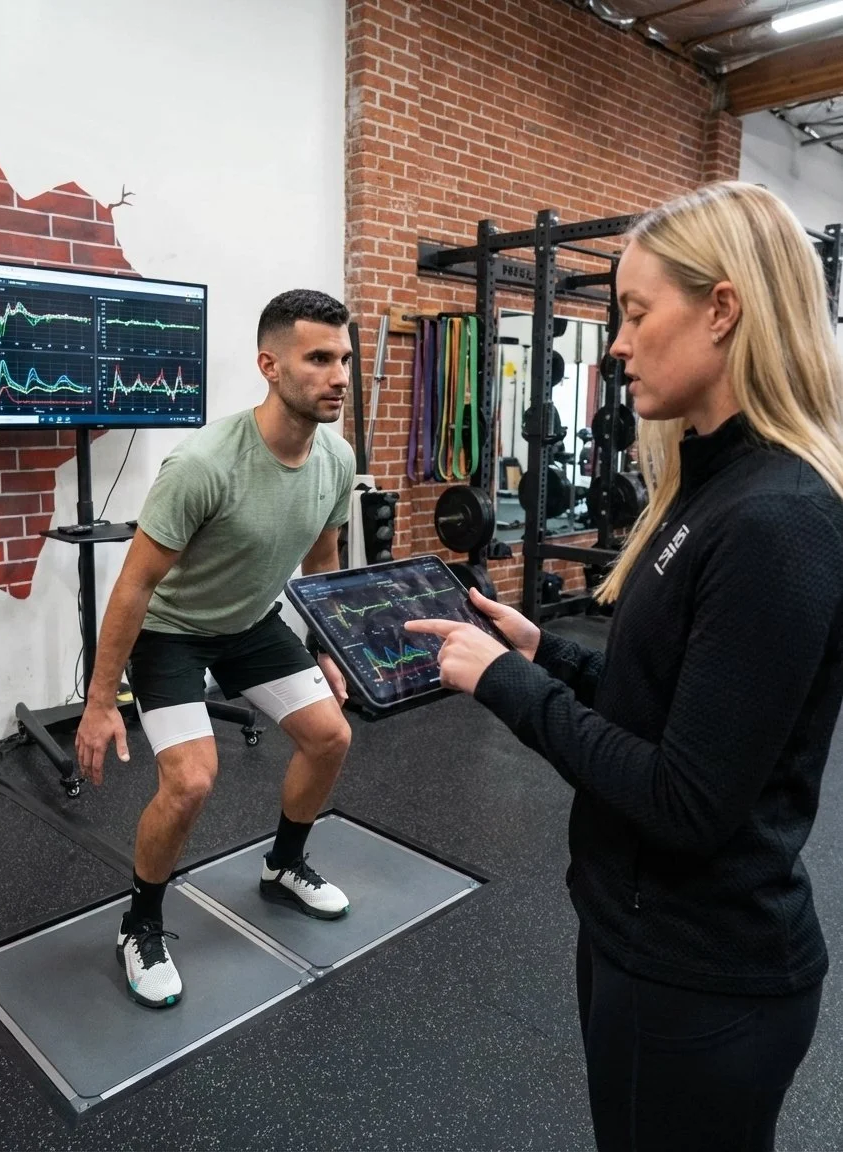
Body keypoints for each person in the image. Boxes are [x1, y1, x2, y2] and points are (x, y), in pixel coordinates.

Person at [407, 182, 843, 1152]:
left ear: (722, 309)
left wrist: (506, 686)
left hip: (703, 975)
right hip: (634, 934)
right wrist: (544, 653)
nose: (613, 344)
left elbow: (686, 799)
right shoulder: (710, 484)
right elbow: (666, 698)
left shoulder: (776, 519)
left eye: (637, 314)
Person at [75, 288, 356, 1010]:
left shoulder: (336, 458)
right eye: (319, 358)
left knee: (330, 737)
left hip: (251, 622)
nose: (340, 376)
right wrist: (100, 703)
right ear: (270, 365)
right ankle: (139, 923)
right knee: (193, 781)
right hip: (171, 630)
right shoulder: (203, 464)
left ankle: (284, 866)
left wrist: (331, 649)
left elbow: (322, 563)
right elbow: (134, 587)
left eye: (344, 358)